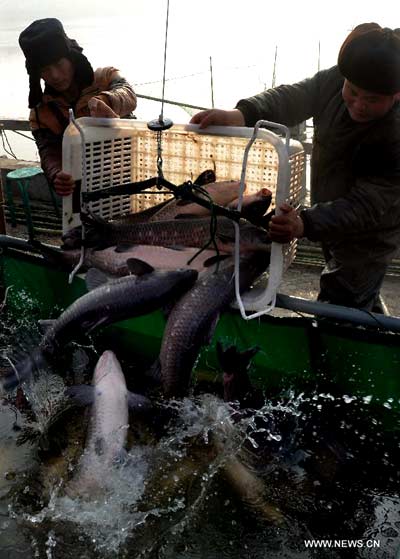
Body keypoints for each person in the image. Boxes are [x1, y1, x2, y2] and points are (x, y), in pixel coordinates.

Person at [190, 23, 400, 312]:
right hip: (328, 215)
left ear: (396, 95)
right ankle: (377, 336)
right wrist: (243, 113)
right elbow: (295, 97)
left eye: (372, 100)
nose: (359, 104)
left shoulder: (395, 134)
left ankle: (342, 349)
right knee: (359, 296)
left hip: (370, 233)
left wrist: (305, 223)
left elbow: (367, 204)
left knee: (342, 299)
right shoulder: (335, 80)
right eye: (352, 91)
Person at [19, 18, 137, 197]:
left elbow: (128, 94)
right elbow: (49, 152)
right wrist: (56, 174)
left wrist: (107, 100)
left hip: (130, 174)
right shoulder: (40, 112)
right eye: (45, 70)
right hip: (83, 189)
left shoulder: (105, 77)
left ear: (71, 58)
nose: (55, 76)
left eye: (59, 64)